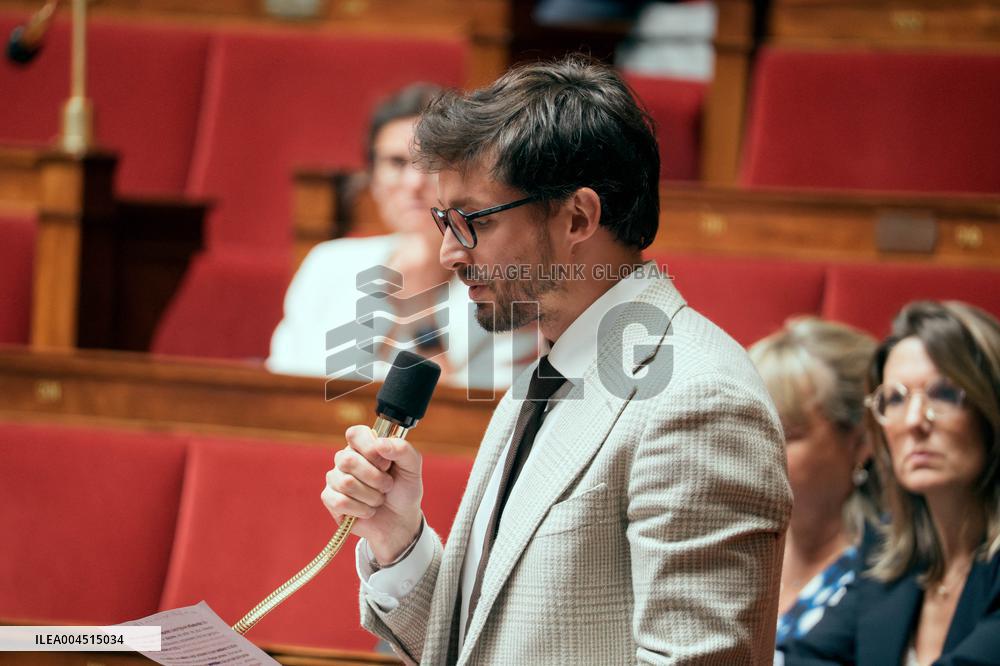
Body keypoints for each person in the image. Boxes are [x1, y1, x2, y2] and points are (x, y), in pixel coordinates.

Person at [321, 55, 792, 664]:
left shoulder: (699, 401)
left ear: (577, 217)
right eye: (444, 221)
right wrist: (397, 537)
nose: (448, 253)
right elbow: (483, 643)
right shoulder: (550, 370)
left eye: (470, 221)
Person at [267, 83, 539, 390]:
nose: (413, 182)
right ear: (372, 179)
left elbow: (470, 420)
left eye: (431, 164)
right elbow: (285, 389)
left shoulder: (505, 286)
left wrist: (421, 315)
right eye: (396, 163)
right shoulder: (327, 263)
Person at [780, 301, 1000, 665]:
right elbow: (803, 658)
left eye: (944, 393)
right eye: (894, 398)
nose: (914, 420)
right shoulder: (886, 549)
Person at [749, 318, 880, 650]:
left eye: (787, 434)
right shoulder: (738, 548)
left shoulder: (884, 575)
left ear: (862, 441)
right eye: (750, 430)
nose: (756, 450)